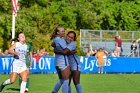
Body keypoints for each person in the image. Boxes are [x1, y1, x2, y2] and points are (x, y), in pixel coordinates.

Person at [51, 26, 71, 93]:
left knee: (62, 79)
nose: (64, 32)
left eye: (64, 30)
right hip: (62, 62)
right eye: (62, 31)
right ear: (58, 32)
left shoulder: (56, 39)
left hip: (57, 62)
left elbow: (53, 45)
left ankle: (54, 91)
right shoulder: (60, 40)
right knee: (66, 80)